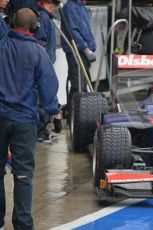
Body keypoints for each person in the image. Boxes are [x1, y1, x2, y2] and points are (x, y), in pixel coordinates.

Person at [0, 6, 60, 230]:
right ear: (35, 27)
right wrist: (53, 111)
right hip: (24, 120)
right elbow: (48, 87)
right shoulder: (38, 52)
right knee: (23, 173)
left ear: (12, 23)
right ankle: (23, 224)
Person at [61, 0, 96, 122]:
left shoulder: (80, 6)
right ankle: (74, 119)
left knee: (83, 85)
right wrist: (86, 48)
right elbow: (73, 31)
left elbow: (84, 30)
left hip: (83, 51)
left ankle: (81, 116)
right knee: (78, 85)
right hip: (76, 51)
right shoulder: (70, 7)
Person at [34, 0, 63, 140]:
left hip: (44, 63)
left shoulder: (44, 17)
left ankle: (41, 130)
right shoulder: (43, 18)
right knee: (41, 96)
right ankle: (39, 132)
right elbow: (41, 44)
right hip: (42, 65)